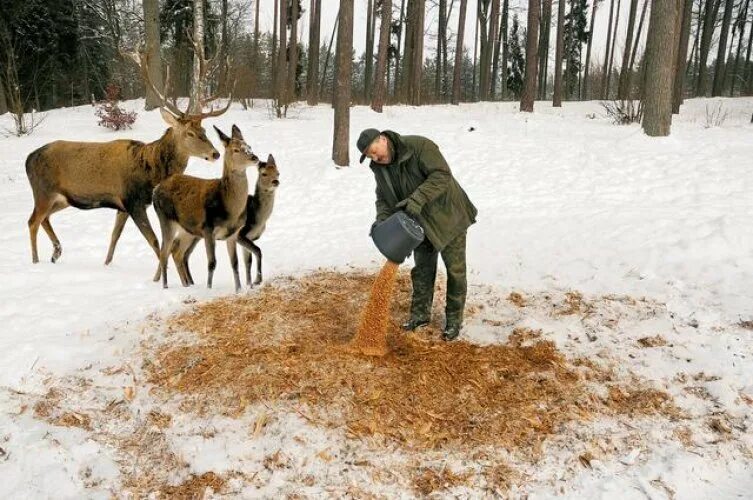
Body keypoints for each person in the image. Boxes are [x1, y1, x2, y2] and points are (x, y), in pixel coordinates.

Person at [357, 128, 477, 341]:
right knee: (422, 269)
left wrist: (417, 199)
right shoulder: (379, 169)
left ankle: (454, 321)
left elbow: (442, 176)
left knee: (455, 271)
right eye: (370, 156)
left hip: (448, 216)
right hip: (417, 222)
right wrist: (382, 221)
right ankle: (420, 315)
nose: (375, 158)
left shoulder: (419, 147)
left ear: (383, 140)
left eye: (376, 152)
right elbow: (384, 198)